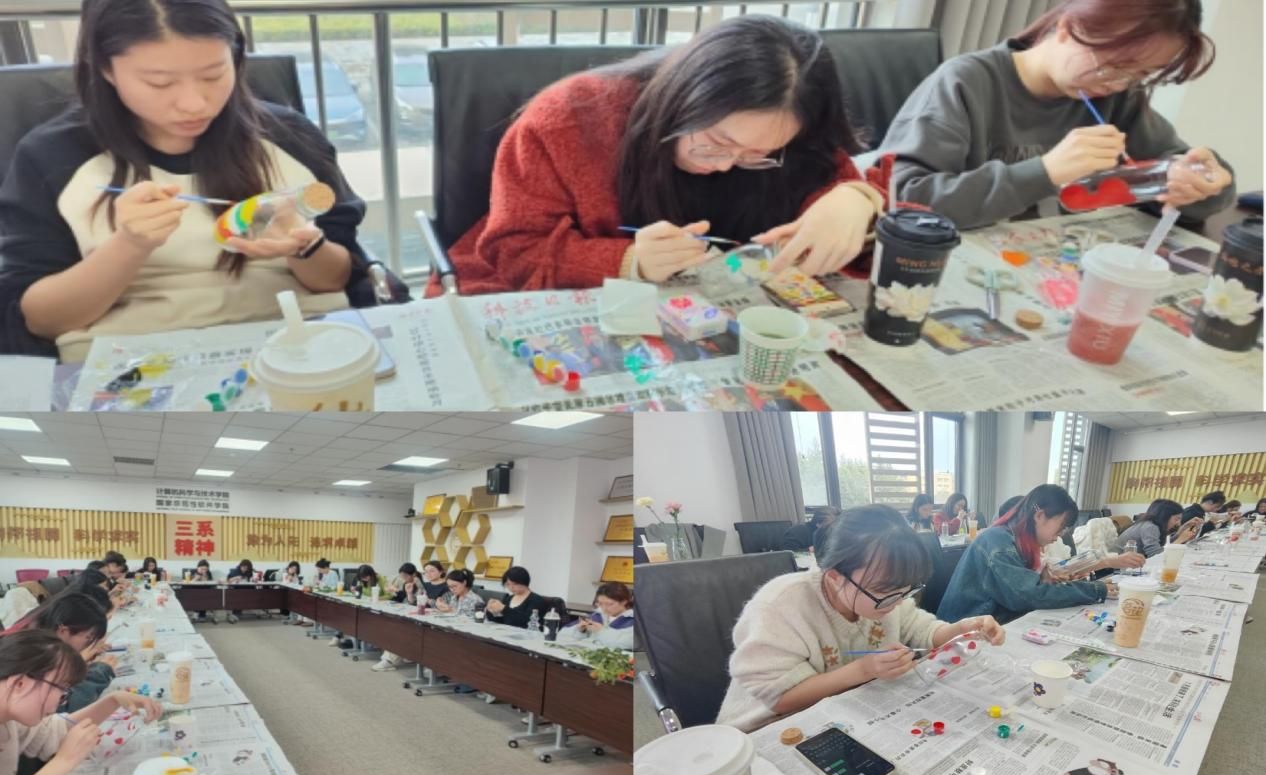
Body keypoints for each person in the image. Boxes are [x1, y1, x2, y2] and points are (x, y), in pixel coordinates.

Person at [0, 0, 376, 361]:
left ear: (236, 57)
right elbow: (42, 321)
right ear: (105, 69)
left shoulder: (289, 138)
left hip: (295, 342)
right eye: (160, 83)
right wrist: (129, 246)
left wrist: (305, 247)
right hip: (130, 361)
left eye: (213, 74)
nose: (195, 103)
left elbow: (339, 280)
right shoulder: (53, 157)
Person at [439, 15, 885, 295]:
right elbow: (515, 249)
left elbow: (846, 191)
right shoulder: (568, 121)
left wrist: (857, 200)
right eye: (715, 141)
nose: (723, 164)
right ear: (681, 97)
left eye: (757, 154)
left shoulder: (794, 132)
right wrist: (626, 261)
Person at [878, 0, 1234, 231]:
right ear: (1067, 28)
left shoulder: (1117, 98)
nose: (1117, 83)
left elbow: (1176, 170)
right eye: (1113, 65)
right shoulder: (966, 83)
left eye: (1140, 75)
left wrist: (1200, 183)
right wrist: (1044, 172)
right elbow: (903, 200)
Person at [716, 506, 1006, 732]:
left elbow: (923, 631)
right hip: (766, 728)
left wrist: (962, 628)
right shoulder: (781, 605)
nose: (897, 602)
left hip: (840, 713)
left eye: (906, 590)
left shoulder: (886, 597)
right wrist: (864, 670)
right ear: (835, 577)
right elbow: (781, 698)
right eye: (885, 592)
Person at [0, 630, 163, 775]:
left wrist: (112, 701)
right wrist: (64, 761)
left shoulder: (10, 718)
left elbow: (56, 730)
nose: (58, 703)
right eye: (62, 691)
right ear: (20, 684)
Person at [937, 485, 1142, 624]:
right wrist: (1095, 589)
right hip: (964, 634)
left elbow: (1034, 583)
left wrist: (1044, 579)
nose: (1061, 534)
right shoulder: (998, 543)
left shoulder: (1016, 540)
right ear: (1040, 516)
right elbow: (1030, 594)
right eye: (1062, 526)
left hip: (989, 621)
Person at [1114, 499, 1203, 557]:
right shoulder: (1150, 527)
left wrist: (1182, 529)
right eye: (1176, 519)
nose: (1178, 523)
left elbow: (1161, 545)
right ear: (1164, 516)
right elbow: (1155, 555)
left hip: (1128, 561)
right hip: (1117, 567)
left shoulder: (1153, 524)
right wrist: (1179, 540)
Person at [559, 583, 635, 650]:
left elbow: (627, 643)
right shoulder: (597, 615)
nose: (604, 608)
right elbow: (562, 634)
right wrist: (580, 631)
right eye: (600, 603)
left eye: (609, 604)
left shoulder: (633, 621)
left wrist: (601, 631)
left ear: (624, 602)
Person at [485, 567, 552, 629]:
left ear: (524, 582)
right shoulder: (508, 599)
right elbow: (502, 621)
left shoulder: (537, 600)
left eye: (515, 584)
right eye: (508, 584)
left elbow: (527, 622)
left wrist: (504, 609)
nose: (511, 587)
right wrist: (491, 611)